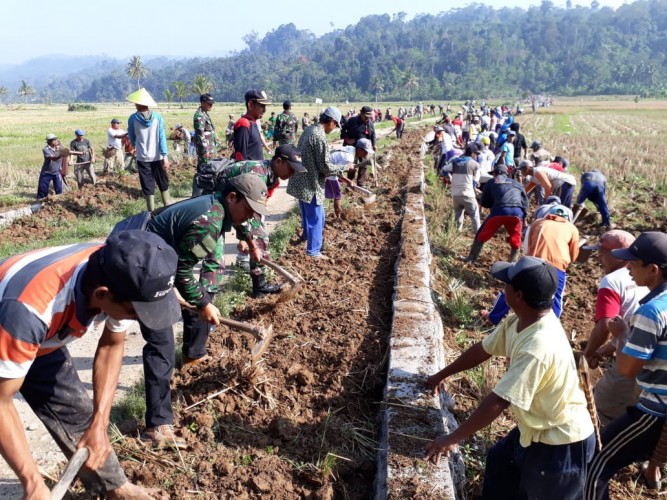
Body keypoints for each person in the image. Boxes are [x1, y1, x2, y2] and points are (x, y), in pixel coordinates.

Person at [0, 229, 180, 499]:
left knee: (81, 417)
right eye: (135, 312)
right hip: (13, 320)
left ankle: (115, 488)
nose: (140, 320)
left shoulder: (121, 271)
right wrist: (32, 482)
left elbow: (111, 344)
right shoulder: (30, 310)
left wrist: (100, 424)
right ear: (102, 295)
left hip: (39, 336)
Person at [426, 256, 595, 499]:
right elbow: (482, 350)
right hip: (536, 428)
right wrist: (440, 375)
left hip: (561, 443)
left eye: (506, 284)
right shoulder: (520, 320)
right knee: (500, 462)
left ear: (518, 295)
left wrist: (450, 439)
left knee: (535, 492)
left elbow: (499, 401)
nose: (501, 288)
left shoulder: (538, 346)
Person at [136, 174, 271, 448]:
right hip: (142, 260)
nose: (248, 217)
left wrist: (250, 240)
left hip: (156, 249)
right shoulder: (208, 223)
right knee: (161, 345)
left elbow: (240, 222)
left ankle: (191, 354)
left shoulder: (220, 207)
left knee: (178, 321)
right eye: (248, 209)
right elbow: (183, 273)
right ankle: (156, 426)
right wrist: (203, 304)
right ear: (233, 197)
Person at [585, 231, 667, 499]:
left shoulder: (651, 312)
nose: (628, 267)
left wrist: (620, 335)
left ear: (653, 270)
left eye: (633, 262)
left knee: (596, 463)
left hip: (655, 409)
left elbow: (628, 369)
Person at [212, 145, 306, 297]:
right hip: (215, 205)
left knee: (259, 238)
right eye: (291, 167)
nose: (293, 172)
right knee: (215, 253)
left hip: (232, 205)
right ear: (279, 161)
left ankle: (260, 285)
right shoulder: (257, 176)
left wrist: (246, 238)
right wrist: (248, 242)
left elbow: (252, 211)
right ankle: (206, 300)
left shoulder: (271, 175)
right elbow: (243, 209)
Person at [582, 230, 648, 427]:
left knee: (597, 412)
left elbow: (606, 325)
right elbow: (630, 327)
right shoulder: (648, 279)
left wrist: (586, 357)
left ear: (619, 254)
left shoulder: (612, 281)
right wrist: (603, 351)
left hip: (631, 361)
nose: (599, 256)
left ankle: (594, 454)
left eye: (603, 252)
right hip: (651, 364)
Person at [484, 205, 579, 325]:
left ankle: (492, 318)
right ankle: (551, 327)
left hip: (533, 263)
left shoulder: (538, 222)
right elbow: (574, 256)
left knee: (513, 286)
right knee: (555, 299)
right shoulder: (572, 228)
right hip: (556, 268)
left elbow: (528, 245)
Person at [287, 107, 350, 259]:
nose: (334, 129)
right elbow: (325, 167)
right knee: (316, 218)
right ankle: (313, 252)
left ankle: (306, 237)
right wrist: (344, 168)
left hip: (301, 179)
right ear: (332, 122)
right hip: (311, 183)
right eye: (335, 125)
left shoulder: (309, 129)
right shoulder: (319, 136)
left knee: (312, 215)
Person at [466, 164, 527, 263]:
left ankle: (471, 259)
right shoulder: (517, 184)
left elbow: (485, 202)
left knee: (482, 234)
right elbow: (525, 202)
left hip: (500, 210)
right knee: (516, 237)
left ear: (495, 173)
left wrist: (487, 202)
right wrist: (524, 218)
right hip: (517, 212)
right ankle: (512, 262)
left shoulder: (491, 182)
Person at [126, 88, 172, 211]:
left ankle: (151, 212)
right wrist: (165, 157)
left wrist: (136, 147)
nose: (135, 105)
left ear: (139, 104)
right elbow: (161, 137)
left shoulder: (132, 119)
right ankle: (168, 208)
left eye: (136, 103)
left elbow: (132, 137)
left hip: (142, 157)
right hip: (158, 156)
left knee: (147, 183)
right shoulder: (157, 117)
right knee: (163, 181)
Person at [326, 138, 374, 218]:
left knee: (336, 191)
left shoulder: (351, 149)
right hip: (328, 170)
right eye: (365, 151)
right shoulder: (349, 157)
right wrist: (348, 181)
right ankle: (338, 217)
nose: (367, 154)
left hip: (330, 166)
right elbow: (336, 171)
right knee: (338, 195)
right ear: (359, 149)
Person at [442, 143, 481, 233]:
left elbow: (444, 169)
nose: (477, 156)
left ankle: (456, 233)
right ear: (472, 154)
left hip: (455, 194)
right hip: (468, 194)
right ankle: (478, 237)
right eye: (476, 154)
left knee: (458, 215)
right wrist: (474, 186)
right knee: (475, 216)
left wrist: (449, 177)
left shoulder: (455, 161)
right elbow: (475, 181)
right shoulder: (475, 164)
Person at [340, 105, 377, 187]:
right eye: (366, 116)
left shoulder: (370, 122)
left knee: (364, 164)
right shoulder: (353, 120)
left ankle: (360, 183)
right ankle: (349, 182)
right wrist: (347, 139)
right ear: (361, 113)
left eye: (369, 117)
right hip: (352, 146)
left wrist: (374, 144)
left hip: (364, 147)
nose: (367, 118)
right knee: (351, 165)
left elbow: (373, 134)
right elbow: (343, 129)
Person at [193, 93, 219, 196]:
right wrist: (205, 151)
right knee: (203, 172)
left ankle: (206, 192)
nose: (211, 106)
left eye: (212, 104)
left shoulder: (205, 113)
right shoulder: (199, 116)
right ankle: (197, 195)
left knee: (208, 171)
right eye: (209, 104)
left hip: (210, 149)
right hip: (205, 151)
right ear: (203, 103)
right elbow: (200, 135)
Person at [234, 89, 271, 162]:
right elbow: (241, 157)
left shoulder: (253, 123)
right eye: (261, 106)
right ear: (250, 105)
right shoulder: (244, 124)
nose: (264, 110)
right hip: (249, 172)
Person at [37, 133, 65, 199]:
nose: (56, 141)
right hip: (47, 172)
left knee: (59, 190)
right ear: (49, 141)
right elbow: (53, 158)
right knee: (42, 190)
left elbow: (69, 151)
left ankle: (58, 202)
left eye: (56, 139)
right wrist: (61, 154)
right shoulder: (46, 149)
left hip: (56, 172)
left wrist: (81, 153)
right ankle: (40, 202)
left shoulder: (59, 148)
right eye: (54, 140)